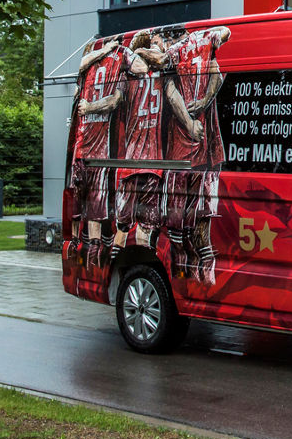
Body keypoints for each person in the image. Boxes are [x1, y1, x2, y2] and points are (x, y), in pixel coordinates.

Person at [109, 30, 200, 259]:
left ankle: (118, 266)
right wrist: (190, 125)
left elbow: (115, 101)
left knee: (123, 226)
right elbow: (173, 99)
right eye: (154, 43)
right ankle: (141, 261)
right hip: (152, 163)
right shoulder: (161, 74)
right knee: (144, 227)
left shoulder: (126, 75)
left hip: (130, 163)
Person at [162, 25, 231, 284]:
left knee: (190, 216)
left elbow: (173, 92)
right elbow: (217, 73)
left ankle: (197, 275)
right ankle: (196, 276)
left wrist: (200, 108)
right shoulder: (200, 49)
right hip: (191, 152)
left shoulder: (179, 52)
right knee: (193, 216)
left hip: (193, 150)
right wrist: (200, 108)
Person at [68, 36, 133, 268]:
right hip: (88, 155)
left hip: (96, 154)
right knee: (84, 214)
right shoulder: (96, 67)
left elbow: (115, 101)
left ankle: (91, 266)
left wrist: (89, 107)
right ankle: (86, 264)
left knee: (92, 217)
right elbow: (83, 62)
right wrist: (106, 49)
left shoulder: (114, 70)